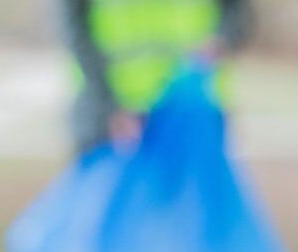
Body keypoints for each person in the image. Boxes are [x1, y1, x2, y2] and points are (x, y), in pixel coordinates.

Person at [59, 0, 253, 154]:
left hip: (193, 112)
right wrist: (109, 108)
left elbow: (238, 15)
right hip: (112, 119)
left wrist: (221, 41)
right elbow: (74, 29)